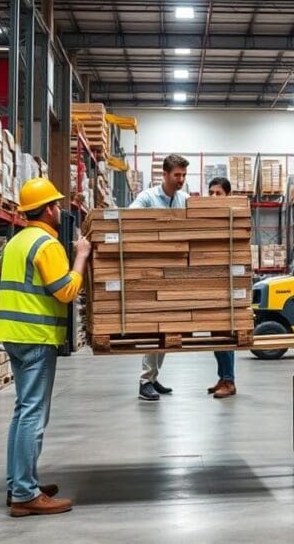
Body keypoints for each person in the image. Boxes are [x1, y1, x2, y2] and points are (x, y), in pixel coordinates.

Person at [0, 177, 91, 517]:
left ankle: (19, 484)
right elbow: (65, 291)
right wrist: (80, 257)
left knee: (23, 411)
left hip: (13, 334)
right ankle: (25, 494)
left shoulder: (16, 242)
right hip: (36, 337)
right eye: (56, 204)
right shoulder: (46, 245)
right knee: (34, 413)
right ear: (48, 209)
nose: (59, 209)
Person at [130, 154, 190, 401]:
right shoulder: (147, 198)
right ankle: (145, 381)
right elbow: (130, 219)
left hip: (175, 270)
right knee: (155, 327)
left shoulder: (185, 199)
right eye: (177, 175)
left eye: (184, 175)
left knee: (168, 328)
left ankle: (153, 377)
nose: (181, 180)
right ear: (164, 175)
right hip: (152, 270)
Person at [206, 177, 237, 399]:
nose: (214, 197)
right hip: (214, 280)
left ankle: (230, 381)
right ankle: (223, 376)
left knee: (225, 333)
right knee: (215, 333)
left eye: (218, 193)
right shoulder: (210, 218)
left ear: (228, 194)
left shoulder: (234, 215)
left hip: (229, 282)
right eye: (211, 193)